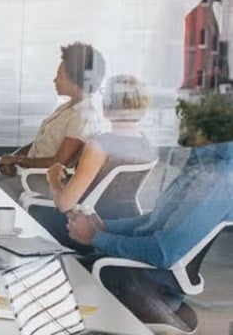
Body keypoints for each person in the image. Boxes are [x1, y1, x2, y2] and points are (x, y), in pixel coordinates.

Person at [67, 93, 233, 332]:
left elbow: (164, 252)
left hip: (146, 283)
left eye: (186, 117)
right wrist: (106, 227)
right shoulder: (202, 164)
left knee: (53, 282)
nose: (178, 123)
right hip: (138, 273)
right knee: (56, 268)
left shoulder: (216, 179)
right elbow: (157, 220)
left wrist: (96, 238)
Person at [29, 75, 157, 251]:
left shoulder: (100, 146)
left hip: (87, 228)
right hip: (125, 226)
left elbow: (64, 204)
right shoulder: (146, 144)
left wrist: (53, 179)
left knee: (27, 205)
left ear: (107, 107)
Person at [0, 42, 110, 200]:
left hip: (45, 181)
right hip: (30, 172)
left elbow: (59, 162)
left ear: (77, 82)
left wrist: (18, 160)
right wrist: (13, 158)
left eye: (60, 77)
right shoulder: (68, 106)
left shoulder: (83, 116)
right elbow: (40, 143)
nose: (55, 80)